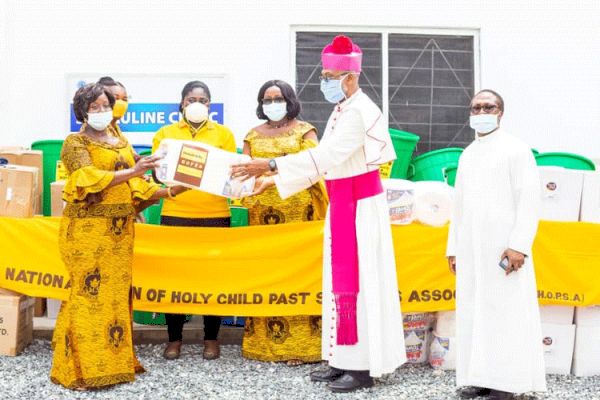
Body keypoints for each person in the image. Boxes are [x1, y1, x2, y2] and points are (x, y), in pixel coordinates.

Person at [232, 35, 406, 393]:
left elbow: (325, 158)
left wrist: (271, 164)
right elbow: (323, 164)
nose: (323, 82)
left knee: (355, 287)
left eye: (329, 75)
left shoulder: (360, 111)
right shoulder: (342, 108)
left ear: (350, 77)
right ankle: (341, 359)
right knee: (338, 284)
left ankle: (361, 368)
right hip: (343, 203)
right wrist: (271, 181)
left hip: (358, 206)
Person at [50, 83, 189, 390]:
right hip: (86, 232)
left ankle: (114, 365)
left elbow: (137, 189)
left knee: (114, 298)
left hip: (119, 233)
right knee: (87, 296)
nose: (101, 111)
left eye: (105, 105)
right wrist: (136, 171)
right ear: (82, 112)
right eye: (94, 107)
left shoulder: (121, 140)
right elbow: (88, 180)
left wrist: (173, 190)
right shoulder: (75, 143)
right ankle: (81, 370)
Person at [446, 90, 546, 399]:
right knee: (475, 312)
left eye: (488, 107)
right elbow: (458, 205)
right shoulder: (468, 153)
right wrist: (453, 247)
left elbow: (529, 201)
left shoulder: (516, 150)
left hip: (504, 249)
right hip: (471, 248)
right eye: (475, 107)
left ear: (500, 112)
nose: (480, 112)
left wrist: (518, 245)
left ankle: (506, 385)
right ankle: (482, 377)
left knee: (504, 313)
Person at [240, 80, 328, 366]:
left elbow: (315, 166)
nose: (273, 104)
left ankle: (305, 348)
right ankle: (264, 345)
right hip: (262, 220)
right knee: (268, 274)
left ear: (290, 100)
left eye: (278, 98)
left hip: (300, 217)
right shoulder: (252, 135)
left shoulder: (306, 131)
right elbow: (242, 170)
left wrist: (274, 175)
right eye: (267, 99)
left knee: (300, 274)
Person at [152, 80, 236, 361]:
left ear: (210, 105)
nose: (196, 103)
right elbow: (156, 173)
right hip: (176, 213)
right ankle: (174, 338)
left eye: (202, 99)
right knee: (173, 278)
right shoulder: (166, 134)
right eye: (191, 99)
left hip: (214, 215)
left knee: (212, 279)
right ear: (182, 104)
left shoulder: (223, 134)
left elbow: (229, 172)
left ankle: (211, 339)